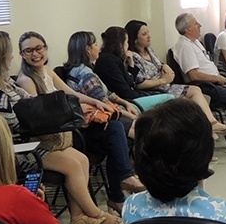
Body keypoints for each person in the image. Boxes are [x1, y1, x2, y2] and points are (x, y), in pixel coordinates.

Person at [0, 31, 120, 224]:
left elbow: (30, 104)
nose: (12, 57)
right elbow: (16, 122)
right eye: (10, 53)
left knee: (81, 159)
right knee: (73, 165)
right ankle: (94, 212)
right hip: (12, 148)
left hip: (29, 140)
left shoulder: (4, 82)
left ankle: (78, 218)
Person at [17, 31, 144, 214]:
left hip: (68, 131)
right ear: (21, 54)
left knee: (115, 131)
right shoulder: (26, 80)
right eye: (28, 51)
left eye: (38, 48)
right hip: (55, 138)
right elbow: (41, 118)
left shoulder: (47, 72)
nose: (35, 54)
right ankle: (119, 189)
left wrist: (94, 102)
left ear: (46, 48)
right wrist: (73, 111)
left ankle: (120, 190)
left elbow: (71, 93)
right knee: (116, 132)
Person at [122, 19, 226, 136]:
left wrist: (165, 66)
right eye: (144, 34)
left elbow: (159, 64)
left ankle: (212, 123)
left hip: (166, 85)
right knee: (188, 106)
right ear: (134, 39)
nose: (149, 36)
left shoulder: (149, 50)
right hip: (154, 91)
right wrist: (163, 80)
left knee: (195, 90)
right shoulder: (133, 57)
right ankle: (204, 136)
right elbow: (139, 83)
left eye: (148, 33)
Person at [172, 12, 226, 154]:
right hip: (207, 87)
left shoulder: (194, 42)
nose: (199, 25)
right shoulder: (185, 47)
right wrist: (217, 78)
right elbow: (193, 75)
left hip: (216, 82)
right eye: (196, 23)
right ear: (188, 29)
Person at [61, 30, 140, 137]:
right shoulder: (84, 73)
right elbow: (105, 103)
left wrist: (126, 104)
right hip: (97, 120)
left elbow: (108, 94)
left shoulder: (84, 69)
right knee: (141, 127)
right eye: (96, 44)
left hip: (106, 112)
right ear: (88, 49)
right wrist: (132, 116)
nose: (99, 48)